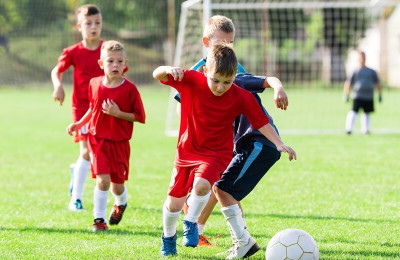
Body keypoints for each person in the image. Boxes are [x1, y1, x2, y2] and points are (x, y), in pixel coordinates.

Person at [153, 43, 296, 257]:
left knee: (203, 186)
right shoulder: (191, 80)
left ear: (235, 76)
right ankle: (168, 237)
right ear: (205, 71)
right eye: (216, 81)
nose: (220, 87)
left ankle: (191, 222)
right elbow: (157, 75)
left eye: (227, 82)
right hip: (186, 152)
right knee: (173, 204)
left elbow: (261, 122)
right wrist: (166, 68)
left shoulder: (241, 96)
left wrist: (278, 143)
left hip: (216, 154)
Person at [178, 15, 289, 248]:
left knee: (220, 186)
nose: (227, 49)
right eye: (221, 43)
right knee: (221, 188)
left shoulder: (234, 72)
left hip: (244, 139)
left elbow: (258, 92)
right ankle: (237, 239)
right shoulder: (198, 73)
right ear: (206, 43)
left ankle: (222, 235)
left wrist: (278, 87)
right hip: (219, 140)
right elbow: (186, 105)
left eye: (230, 44)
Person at [67, 40, 145, 231]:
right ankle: (99, 220)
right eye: (110, 61)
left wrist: (118, 114)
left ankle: (121, 203)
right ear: (101, 64)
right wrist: (78, 124)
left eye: (119, 61)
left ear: (125, 63)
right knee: (102, 180)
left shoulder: (130, 89)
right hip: (97, 139)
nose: (115, 65)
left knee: (116, 186)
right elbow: (92, 109)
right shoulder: (94, 83)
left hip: (120, 143)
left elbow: (140, 117)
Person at [343, 50, 382, 134]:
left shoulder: (371, 71)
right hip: (358, 95)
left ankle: (365, 130)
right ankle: (349, 129)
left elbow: (377, 83)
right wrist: (346, 94)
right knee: (354, 111)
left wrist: (380, 95)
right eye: (361, 57)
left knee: (367, 113)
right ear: (358, 59)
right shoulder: (355, 71)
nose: (362, 59)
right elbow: (348, 83)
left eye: (364, 57)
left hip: (368, 96)